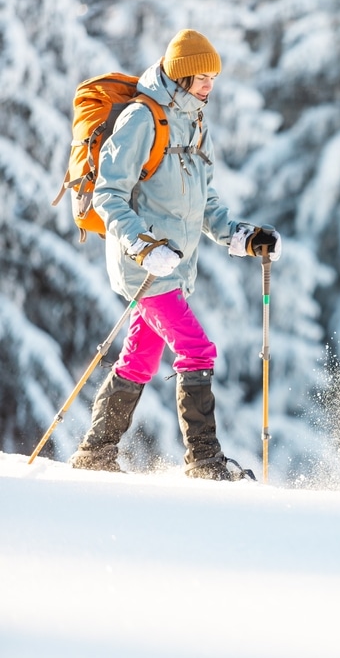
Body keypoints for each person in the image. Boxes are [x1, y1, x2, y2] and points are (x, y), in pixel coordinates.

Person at [68, 29, 282, 481]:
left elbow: (204, 201)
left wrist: (240, 236)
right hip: (143, 266)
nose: (209, 86)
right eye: (201, 77)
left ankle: (96, 451)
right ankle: (204, 461)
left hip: (175, 266)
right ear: (181, 76)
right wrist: (143, 246)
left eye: (213, 78)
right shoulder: (142, 120)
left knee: (139, 360)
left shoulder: (193, 122)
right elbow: (108, 194)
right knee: (197, 349)